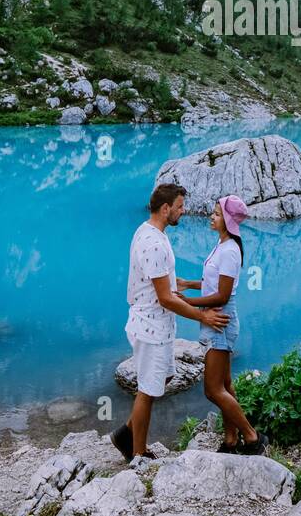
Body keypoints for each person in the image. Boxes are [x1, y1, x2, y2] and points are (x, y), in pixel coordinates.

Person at [113, 183, 229, 464]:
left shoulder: (151, 232)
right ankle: (138, 453)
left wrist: (188, 288)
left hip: (159, 326)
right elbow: (165, 298)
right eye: (179, 207)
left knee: (161, 379)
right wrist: (203, 316)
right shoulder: (152, 243)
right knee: (147, 388)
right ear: (166, 209)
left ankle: (126, 434)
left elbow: (165, 291)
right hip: (150, 326)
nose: (183, 211)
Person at [176, 194, 268, 455]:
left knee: (212, 390)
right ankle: (230, 440)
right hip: (217, 319)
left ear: (227, 220)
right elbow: (215, 282)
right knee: (226, 385)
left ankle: (252, 437)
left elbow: (223, 295)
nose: (211, 217)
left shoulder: (229, 251)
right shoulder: (223, 244)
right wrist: (189, 283)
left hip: (220, 320)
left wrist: (189, 302)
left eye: (216, 214)